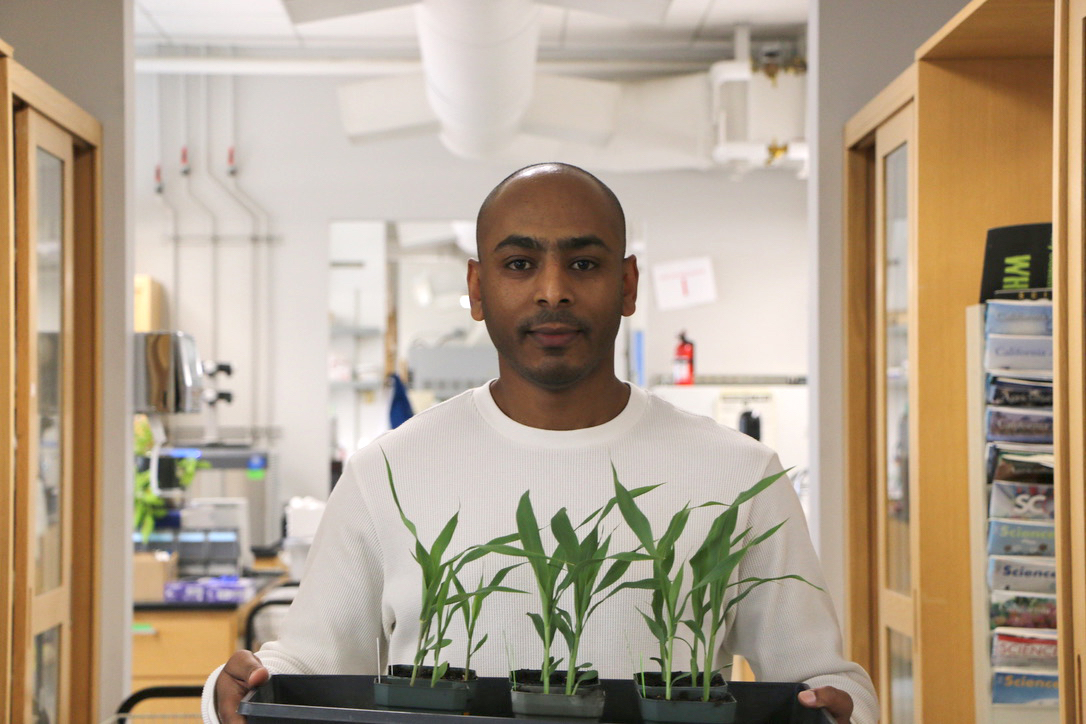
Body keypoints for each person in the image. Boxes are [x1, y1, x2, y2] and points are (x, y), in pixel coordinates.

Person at [203, 162, 877, 724]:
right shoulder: (389, 470)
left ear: (628, 284)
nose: (553, 291)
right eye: (520, 263)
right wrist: (232, 687)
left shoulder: (738, 474)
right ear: (476, 287)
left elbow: (826, 679)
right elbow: (308, 665)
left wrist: (846, 709)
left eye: (583, 262)